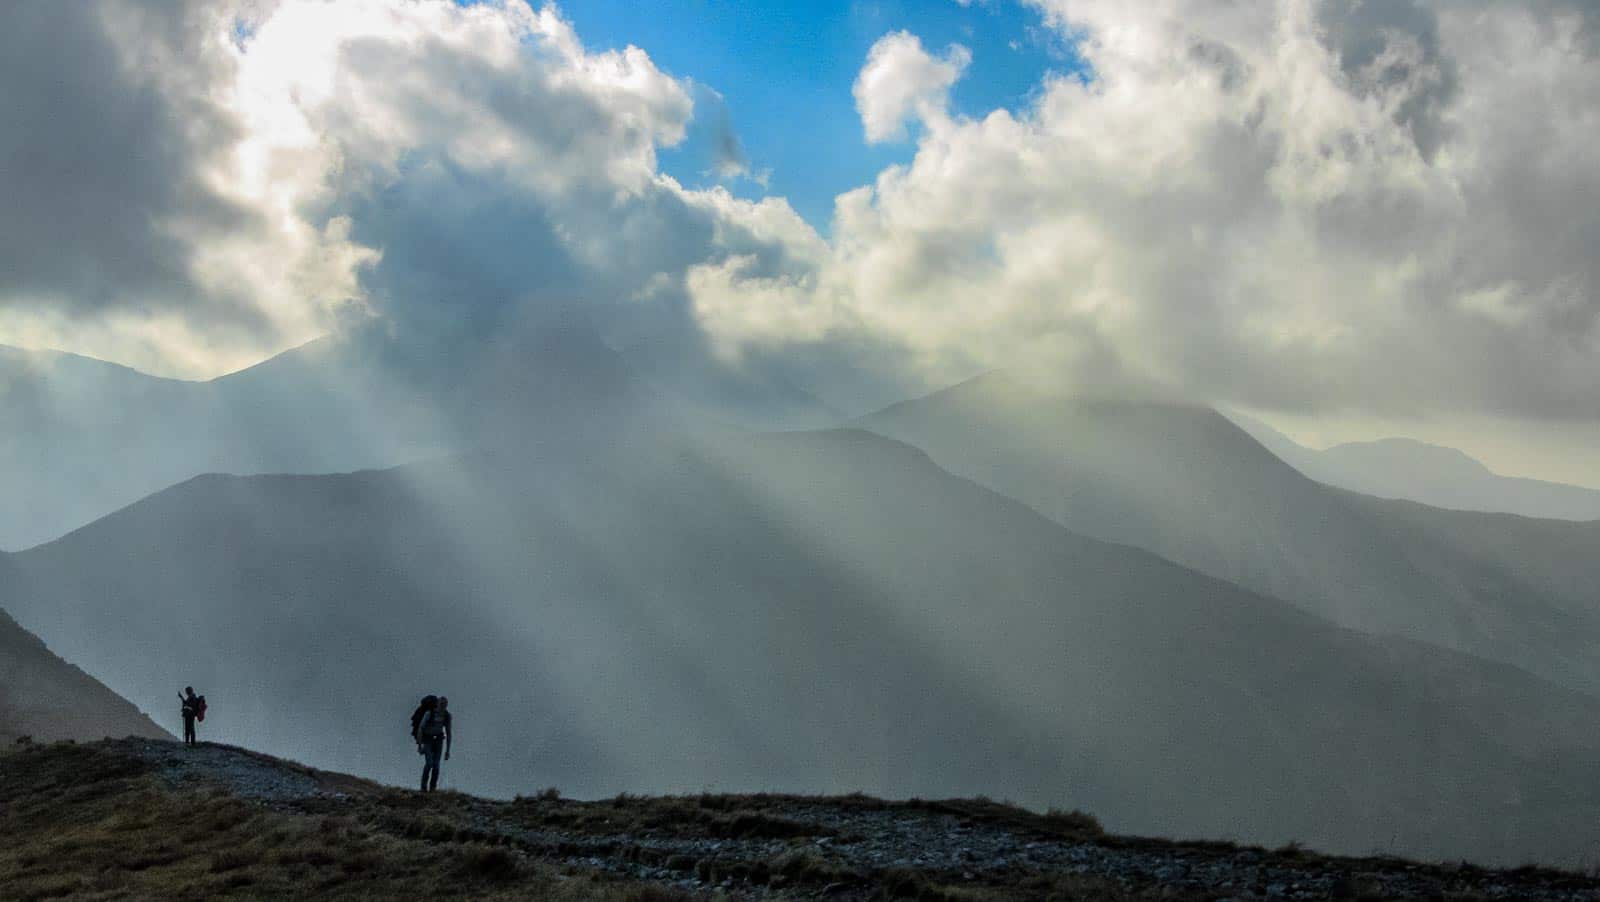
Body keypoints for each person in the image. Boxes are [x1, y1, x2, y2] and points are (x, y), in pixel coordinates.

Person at [416, 696, 452, 792]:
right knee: (429, 763)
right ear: (437, 704)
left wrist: (448, 750)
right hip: (428, 740)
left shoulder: (446, 716)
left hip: (438, 741)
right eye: (441, 704)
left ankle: (432, 788)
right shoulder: (429, 714)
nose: (443, 707)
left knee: (436, 765)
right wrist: (420, 745)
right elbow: (420, 728)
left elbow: (448, 733)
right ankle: (423, 787)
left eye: (444, 705)